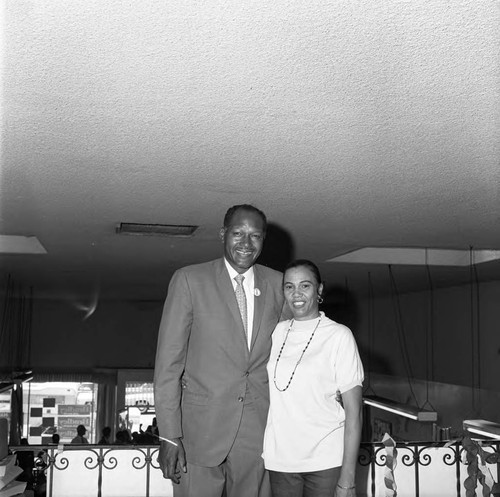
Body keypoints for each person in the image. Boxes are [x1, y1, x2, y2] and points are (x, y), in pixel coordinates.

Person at [154, 204, 287, 497]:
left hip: (258, 430)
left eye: (255, 236)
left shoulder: (278, 284)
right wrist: (169, 435)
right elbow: (168, 365)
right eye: (238, 233)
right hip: (198, 431)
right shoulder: (189, 280)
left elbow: (294, 350)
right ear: (223, 234)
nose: (246, 243)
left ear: (264, 239)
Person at [263, 260, 364, 497]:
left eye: (305, 286)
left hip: (325, 459)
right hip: (281, 460)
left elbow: (354, 413)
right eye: (289, 287)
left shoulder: (339, 335)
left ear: (319, 290)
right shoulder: (276, 333)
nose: (296, 294)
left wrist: (347, 479)